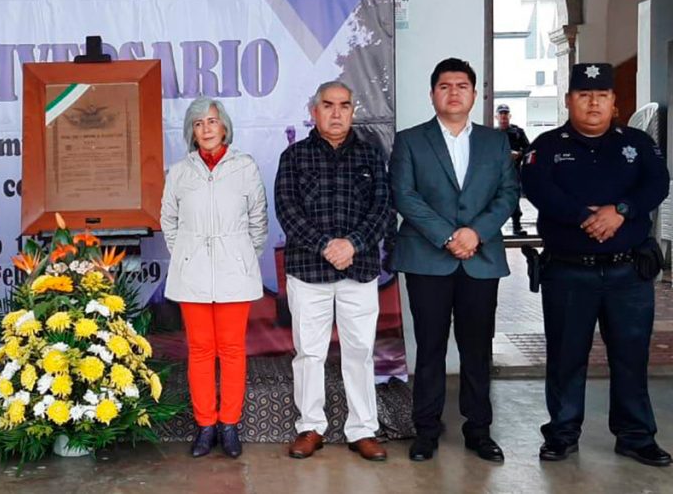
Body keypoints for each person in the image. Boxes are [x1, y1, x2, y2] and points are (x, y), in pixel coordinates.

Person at [522, 63, 671, 467]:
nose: (593, 103)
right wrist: (585, 216)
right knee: (566, 356)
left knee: (630, 356)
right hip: (569, 271)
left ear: (614, 104)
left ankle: (636, 436)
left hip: (628, 273)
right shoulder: (547, 145)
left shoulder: (638, 143)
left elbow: (658, 183)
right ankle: (563, 433)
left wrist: (620, 211)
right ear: (569, 100)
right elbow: (537, 188)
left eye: (601, 96)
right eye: (584, 95)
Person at [389, 58, 518, 463]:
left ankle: (478, 430)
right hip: (428, 258)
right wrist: (447, 236)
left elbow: (509, 194)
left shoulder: (495, 142)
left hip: (480, 258)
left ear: (474, 94)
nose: (454, 92)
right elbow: (404, 196)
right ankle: (425, 429)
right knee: (429, 347)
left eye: (462, 85)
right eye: (445, 86)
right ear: (432, 94)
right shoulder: (410, 140)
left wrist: (475, 233)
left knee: (477, 348)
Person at [274, 81, 393, 461]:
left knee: (359, 351)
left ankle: (362, 429)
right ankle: (310, 427)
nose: (337, 113)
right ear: (314, 111)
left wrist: (352, 244)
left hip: (359, 271)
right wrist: (327, 245)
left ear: (353, 110)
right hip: (308, 270)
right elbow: (287, 211)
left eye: (344, 105)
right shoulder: (294, 156)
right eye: (328, 105)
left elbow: (383, 209)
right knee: (309, 352)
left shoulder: (372, 156)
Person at [160, 97, 268, 458]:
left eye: (212, 121)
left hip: (233, 273)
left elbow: (258, 221)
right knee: (201, 351)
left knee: (233, 350)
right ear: (191, 131)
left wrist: (239, 256)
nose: (206, 128)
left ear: (225, 127)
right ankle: (205, 425)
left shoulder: (245, 167)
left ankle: (229, 424)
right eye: (198, 123)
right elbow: (169, 222)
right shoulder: (179, 171)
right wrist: (189, 255)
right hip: (193, 276)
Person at [496, 104, 530, 235]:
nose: (503, 117)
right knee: (495, 200)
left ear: (509, 116)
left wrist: (519, 154)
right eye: (501, 114)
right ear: (496, 116)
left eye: (505, 114)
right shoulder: (493, 133)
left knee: (514, 199)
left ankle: (517, 227)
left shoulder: (517, 132)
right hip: (496, 174)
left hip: (513, 172)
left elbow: (529, 149)